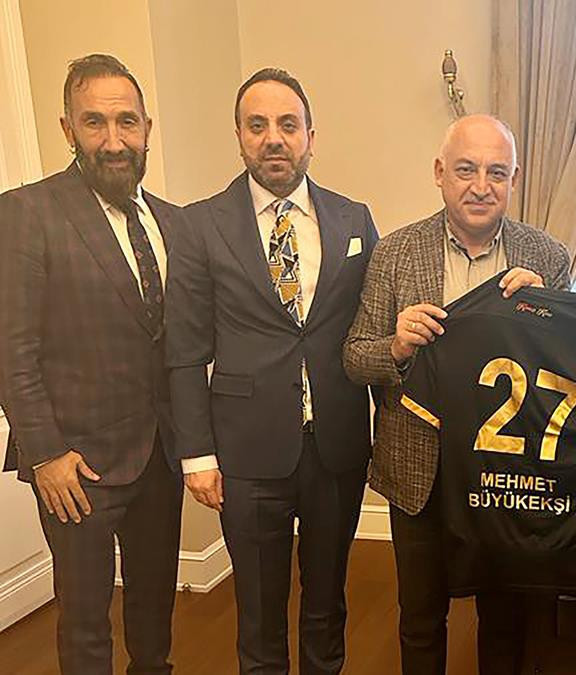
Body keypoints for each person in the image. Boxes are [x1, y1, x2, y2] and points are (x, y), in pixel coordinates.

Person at [164, 68, 378, 674]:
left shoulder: (354, 219)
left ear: (312, 135)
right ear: (238, 136)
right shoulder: (200, 225)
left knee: (328, 601)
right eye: (257, 125)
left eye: (288, 124)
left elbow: (375, 322)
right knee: (258, 612)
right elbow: (184, 350)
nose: (273, 138)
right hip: (246, 452)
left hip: (336, 446)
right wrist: (196, 455)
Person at [344, 113, 570, 675]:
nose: (481, 186)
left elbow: (571, 372)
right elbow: (354, 357)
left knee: (504, 619)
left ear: (514, 179)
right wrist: (397, 347)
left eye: (497, 172)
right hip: (419, 472)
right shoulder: (394, 253)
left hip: (506, 475)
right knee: (421, 618)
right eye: (466, 169)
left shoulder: (546, 257)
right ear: (439, 172)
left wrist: (548, 314)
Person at [0, 53, 184, 674]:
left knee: (154, 614)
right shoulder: (26, 213)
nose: (113, 140)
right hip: (75, 468)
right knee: (84, 625)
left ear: (147, 128)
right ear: (68, 129)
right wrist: (45, 453)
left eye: (126, 122)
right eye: (94, 122)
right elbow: (11, 349)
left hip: (160, 456)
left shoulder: (172, 222)